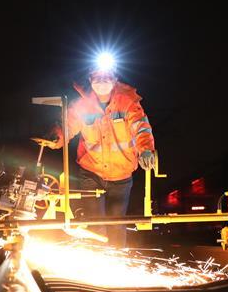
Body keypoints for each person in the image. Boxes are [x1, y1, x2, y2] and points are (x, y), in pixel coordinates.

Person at [41, 54, 155, 247]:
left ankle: (117, 262)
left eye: (106, 77)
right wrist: (57, 137)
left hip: (121, 176)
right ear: (90, 80)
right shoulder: (82, 105)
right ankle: (97, 263)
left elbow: (141, 127)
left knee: (117, 225)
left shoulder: (127, 102)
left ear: (114, 79)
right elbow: (68, 124)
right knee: (95, 225)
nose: (102, 82)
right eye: (97, 78)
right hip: (91, 173)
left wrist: (146, 149)